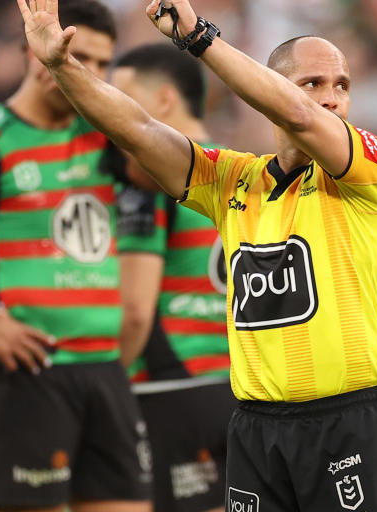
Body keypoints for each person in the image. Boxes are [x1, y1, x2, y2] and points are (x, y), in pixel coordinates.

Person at [16, 0, 377, 512]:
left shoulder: (370, 168)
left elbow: (301, 116)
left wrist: (198, 37)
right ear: (269, 90)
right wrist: (64, 70)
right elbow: (137, 130)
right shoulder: (235, 179)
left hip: (352, 422)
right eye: (314, 82)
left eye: (342, 85)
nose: (331, 97)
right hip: (257, 429)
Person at [0, 0, 152, 511]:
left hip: (106, 371)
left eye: (100, 64)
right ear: (33, 47)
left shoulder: (107, 140)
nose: (81, 70)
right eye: (73, 53)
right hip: (27, 372)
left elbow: (177, 161)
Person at [111, 43, 234, 512]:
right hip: (240, 390)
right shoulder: (240, 170)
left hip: (169, 392)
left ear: (163, 101)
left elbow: (137, 311)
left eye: (121, 96)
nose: (109, 111)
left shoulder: (150, 180)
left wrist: (103, 382)